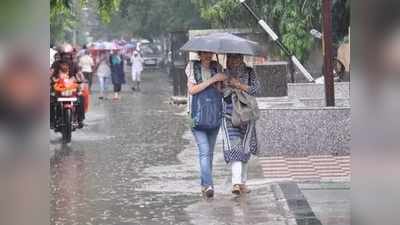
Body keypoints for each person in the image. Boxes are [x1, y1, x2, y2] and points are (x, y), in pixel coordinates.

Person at [185, 51, 227, 198]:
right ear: (200, 54)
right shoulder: (192, 67)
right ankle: (209, 185)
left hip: (214, 115)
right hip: (195, 116)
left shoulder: (218, 67)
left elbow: (222, 92)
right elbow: (192, 90)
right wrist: (212, 80)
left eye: (210, 53)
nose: (208, 56)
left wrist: (221, 83)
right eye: (205, 53)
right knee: (204, 151)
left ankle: (205, 185)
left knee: (209, 153)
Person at [221, 54, 260, 195]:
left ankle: (242, 183)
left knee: (245, 149)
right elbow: (219, 92)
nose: (234, 61)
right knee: (235, 147)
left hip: (247, 115)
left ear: (242, 58)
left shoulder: (250, 72)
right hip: (228, 116)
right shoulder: (223, 73)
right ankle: (236, 183)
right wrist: (227, 86)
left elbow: (256, 90)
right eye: (230, 58)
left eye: (236, 58)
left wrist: (239, 85)